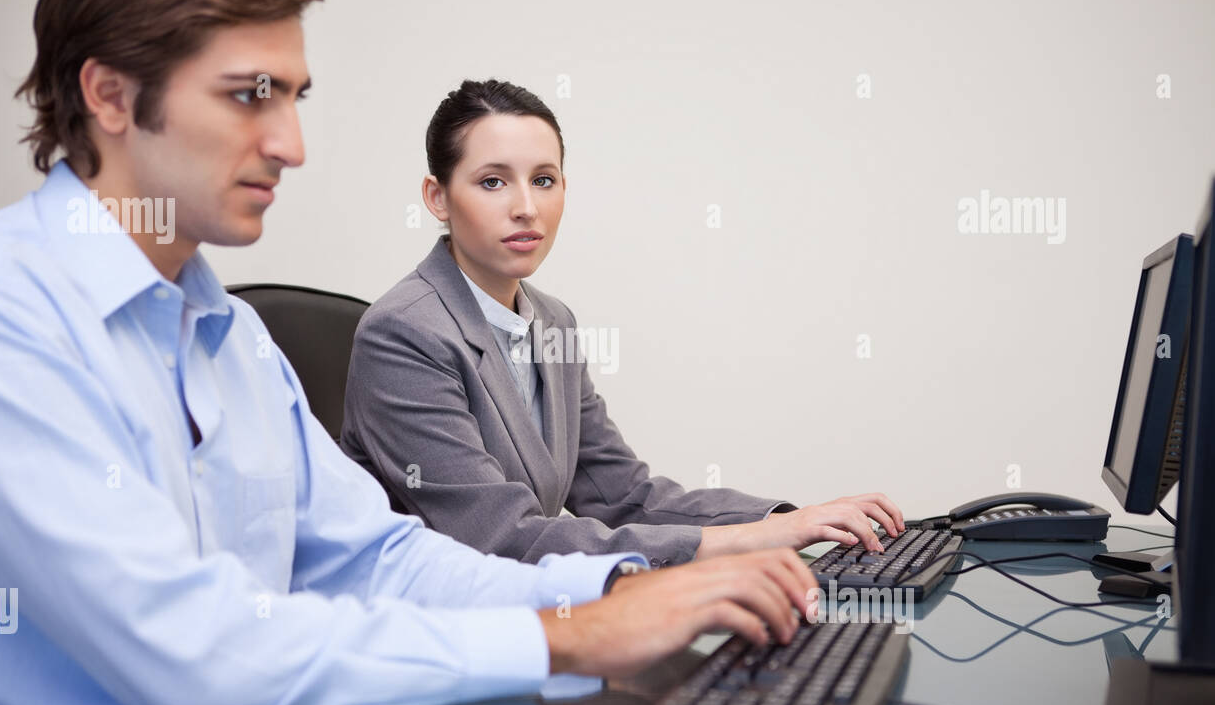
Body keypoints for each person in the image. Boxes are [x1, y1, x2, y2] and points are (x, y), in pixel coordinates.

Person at [0, 0, 816, 705]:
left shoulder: (231, 334)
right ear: (109, 94)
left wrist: (611, 594)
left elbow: (376, 556)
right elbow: (194, 656)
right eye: (247, 97)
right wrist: (567, 634)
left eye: (295, 100)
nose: (291, 146)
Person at [340, 79, 906, 567]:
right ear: (437, 197)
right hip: (439, 640)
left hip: (537, 617)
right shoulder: (404, 333)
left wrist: (791, 519)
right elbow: (501, 540)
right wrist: (754, 539)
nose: (526, 207)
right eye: (492, 181)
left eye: (544, 179)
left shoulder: (552, 323)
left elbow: (624, 496)